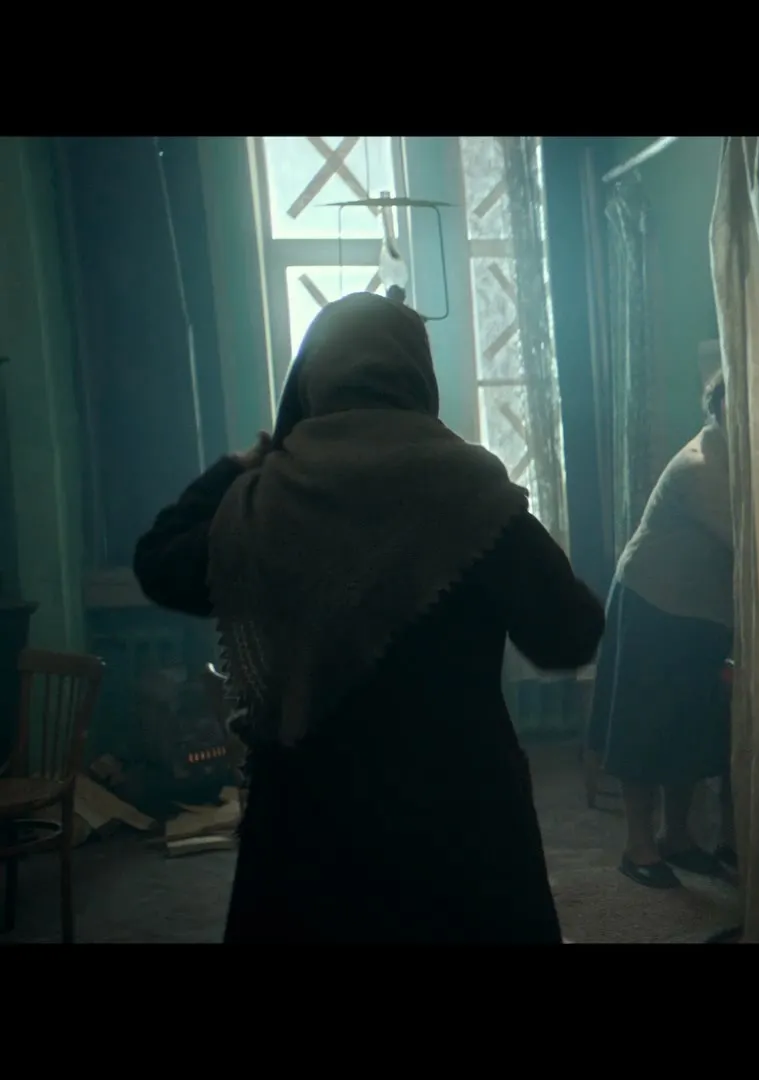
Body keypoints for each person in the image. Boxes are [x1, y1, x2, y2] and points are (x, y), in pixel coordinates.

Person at [133, 291, 604, 944]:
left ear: (312, 382)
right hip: (462, 822)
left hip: (310, 832)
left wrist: (238, 466)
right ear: (417, 376)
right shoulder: (471, 492)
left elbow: (159, 563)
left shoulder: (264, 501)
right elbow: (570, 636)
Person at [585, 370, 734, 889]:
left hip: (701, 613)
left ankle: (677, 836)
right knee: (644, 730)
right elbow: (751, 541)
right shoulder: (701, 466)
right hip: (654, 604)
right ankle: (638, 845)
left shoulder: (737, 459)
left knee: (687, 727)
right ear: (718, 408)